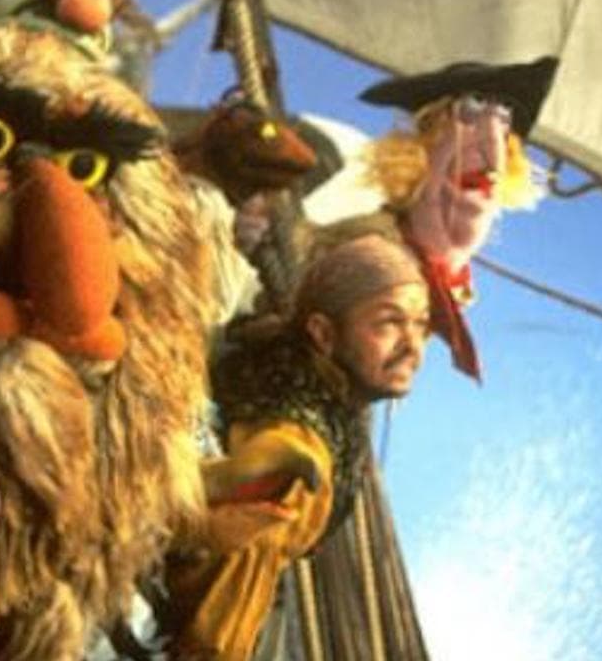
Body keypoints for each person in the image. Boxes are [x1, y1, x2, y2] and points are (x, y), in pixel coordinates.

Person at [163, 232, 430, 660]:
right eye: (388, 323)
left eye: (420, 325)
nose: (413, 347)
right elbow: (235, 578)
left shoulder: (295, 367)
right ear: (323, 333)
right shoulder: (299, 454)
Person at [357, 56, 558, 381]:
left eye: (504, 119)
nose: (491, 140)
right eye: (471, 108)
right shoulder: (358, 259)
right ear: (417, 153)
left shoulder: (443, 290)